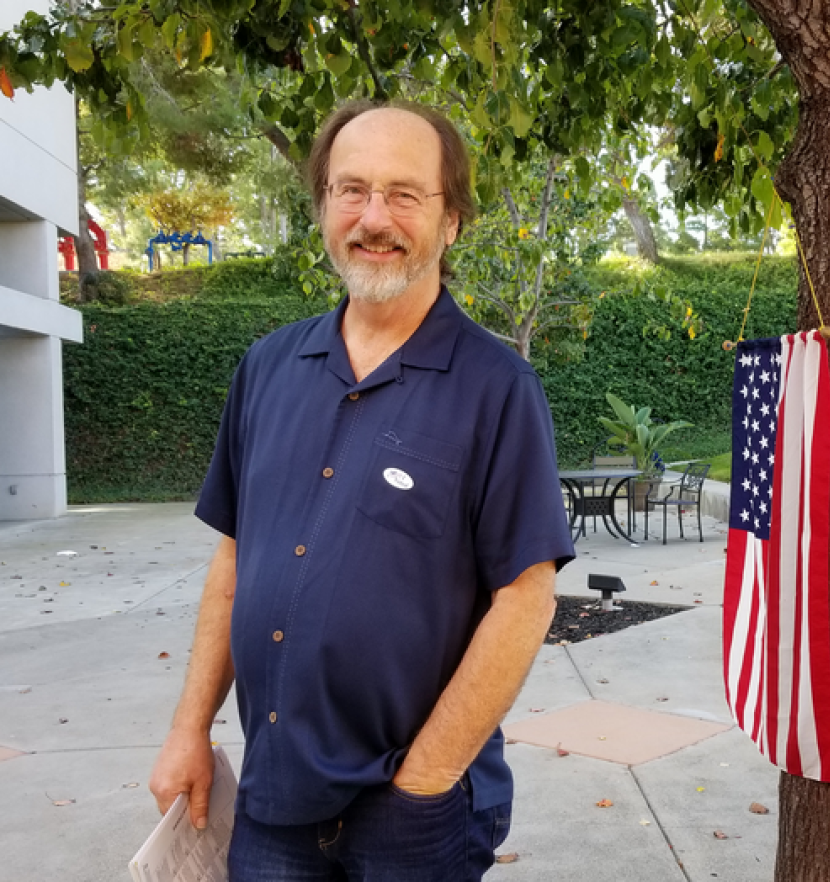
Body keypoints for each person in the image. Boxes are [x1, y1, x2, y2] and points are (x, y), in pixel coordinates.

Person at [148, 99, 576, 881]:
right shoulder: (266, 369)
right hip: (273, 804)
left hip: (411, 812)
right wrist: (188, 730)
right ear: (322, 209)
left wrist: (424, 782)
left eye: (405, 194)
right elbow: (234, 564)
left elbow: (525, 600)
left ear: (451, 222)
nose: (374, 218)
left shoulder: (497, 388)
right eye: (352, 190)